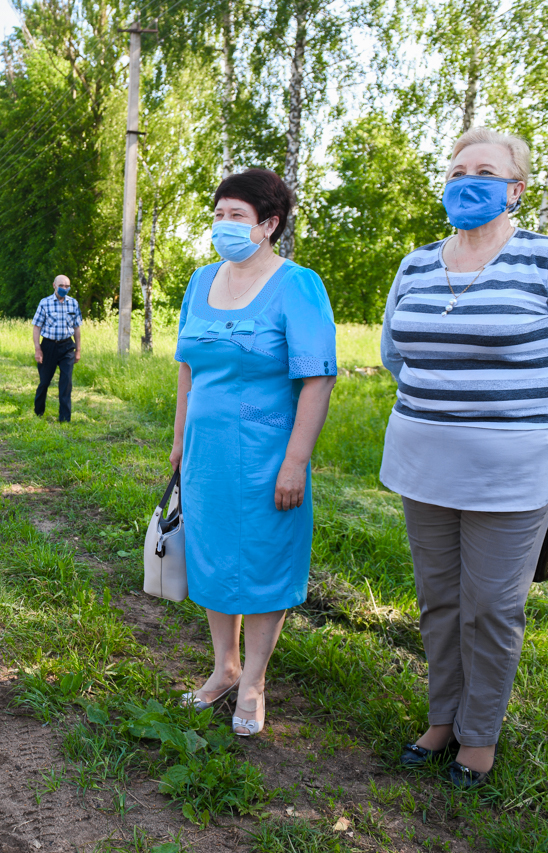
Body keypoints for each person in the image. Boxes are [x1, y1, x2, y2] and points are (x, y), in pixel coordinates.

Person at [380, 127, 548, 789]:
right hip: (423, 462)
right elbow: (393, 355)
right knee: (440, 601)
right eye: (456, 169)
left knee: (491, 605)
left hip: (514, 472)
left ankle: (478, 736)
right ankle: (440, 718)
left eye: (483, 170)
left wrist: (533, 411)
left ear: (515, 188)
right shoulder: (418, 261)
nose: (466, 180)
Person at [169, 168, 337, 737]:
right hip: (206, 454)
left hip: (269, 454)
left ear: (269, 224)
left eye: (236, 216)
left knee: (264, 562)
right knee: (212, 558)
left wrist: (297, 460)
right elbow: (187, 370)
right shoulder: (200, 281)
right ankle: (224, 668)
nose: (223, 225)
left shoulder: (298, 284)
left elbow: (318, 379)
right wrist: (177, 442)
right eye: (218, 215)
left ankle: (255, 683)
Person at [31, 275, 82, 422]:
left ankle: (65, 418)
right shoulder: (45, 303)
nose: (64, 289)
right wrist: (37, 349)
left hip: (67, 347)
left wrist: (78, 350)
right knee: (44, 382)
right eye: (61, 286)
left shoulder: (73, 304)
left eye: (67, 286)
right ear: (54, 285)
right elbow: (37, 327)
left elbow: (77, 328)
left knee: (66, 383)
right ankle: (38, 412)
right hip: (49, 346)